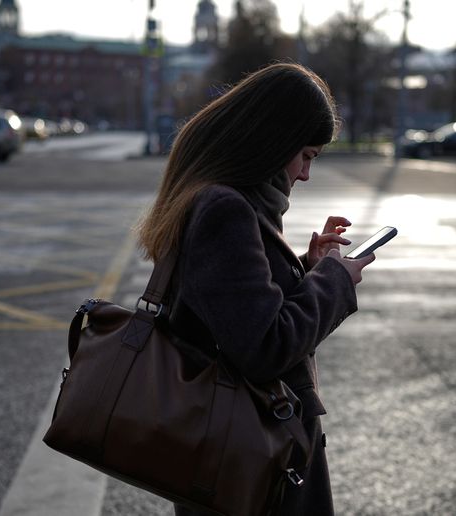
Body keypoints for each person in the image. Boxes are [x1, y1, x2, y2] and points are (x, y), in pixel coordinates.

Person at [135, 62, 375, 515]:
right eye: (306, 155)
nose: (305, 174)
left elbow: (233, 310)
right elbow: (264, 346)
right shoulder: (225, 208)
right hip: (247, 460)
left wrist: (307, 268)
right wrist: (335, 282)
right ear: (273, 141)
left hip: (233, 452)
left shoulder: (221, 197)